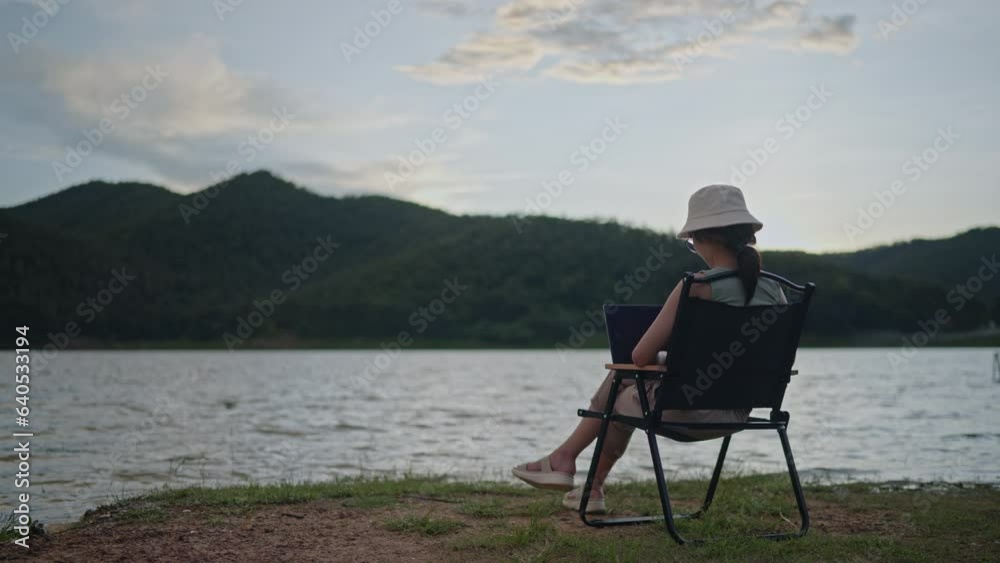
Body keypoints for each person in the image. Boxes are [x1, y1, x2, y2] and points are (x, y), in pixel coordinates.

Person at [511, 184, 786, 514]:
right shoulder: (777, 292)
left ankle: (573, 469)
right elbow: (763, 360)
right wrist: (679, 362)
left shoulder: (698, 286)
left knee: (621, 382)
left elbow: (640, 356)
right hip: (741, 412)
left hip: (683, 412)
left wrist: (661, 360)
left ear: (701, 238)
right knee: (626, 383)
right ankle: (578, 475)